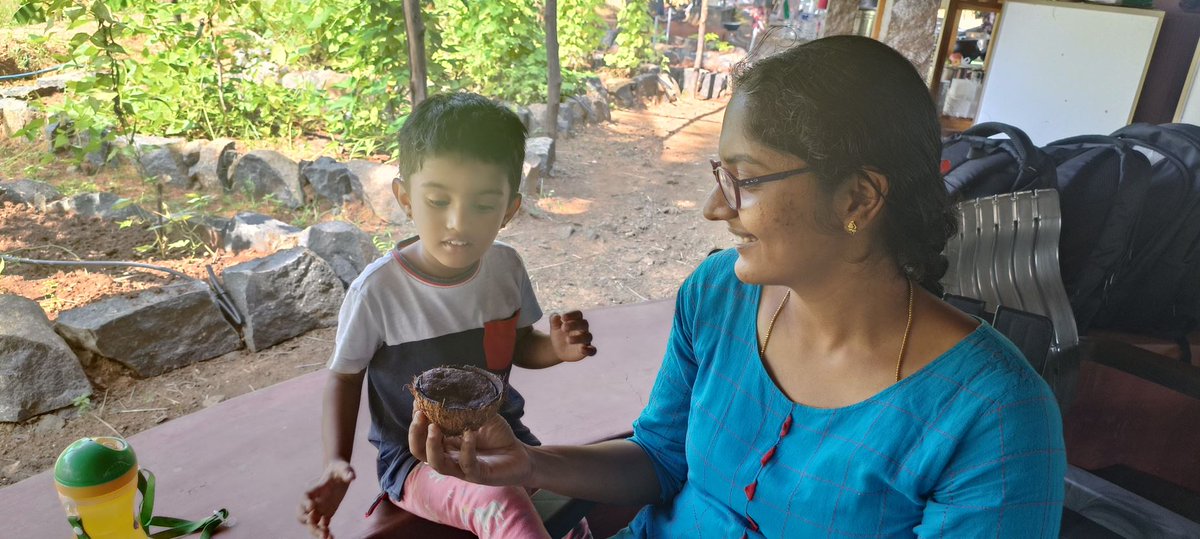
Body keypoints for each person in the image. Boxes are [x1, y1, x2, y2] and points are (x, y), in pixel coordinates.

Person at [409, 36, 1067, 538]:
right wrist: (531, 465)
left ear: (858, 198)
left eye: (744, 181)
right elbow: (660, 456)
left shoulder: (995, 419)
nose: (714, 209)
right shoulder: (720, 296)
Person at [298, 92, 597, 539]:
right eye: (439, 201)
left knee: (570, 509)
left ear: (510, 209)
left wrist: (553, 349)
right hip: (417, 459)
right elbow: (344, 377)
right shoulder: (377, 292)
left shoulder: (505, 268)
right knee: (503, 506)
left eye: (482, 205)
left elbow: (520, 345)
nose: (459, 222)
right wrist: (336, 461)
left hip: (505, 438)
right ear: (405, 198)